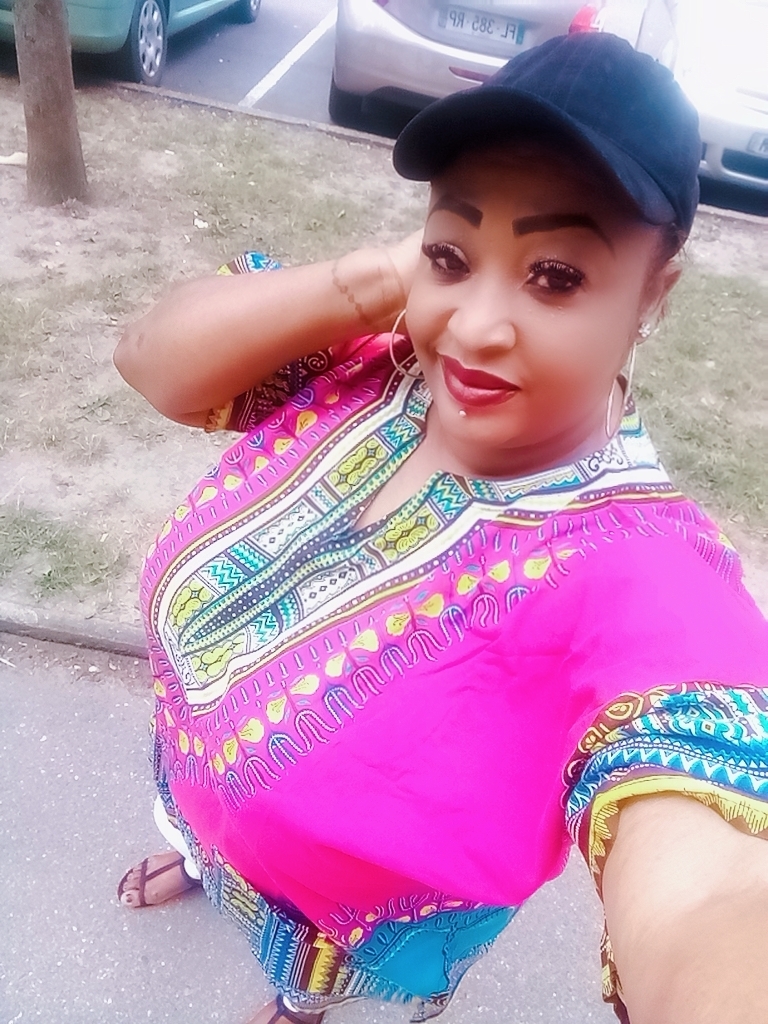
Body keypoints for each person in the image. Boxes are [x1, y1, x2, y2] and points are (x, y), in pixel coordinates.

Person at [114, 32, 768, 1024]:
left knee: (309, 972)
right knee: (203, 826)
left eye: (555, 275)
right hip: (192, 772)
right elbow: (150, 360)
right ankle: (202, 853)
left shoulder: (640, 567)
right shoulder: (365, 362)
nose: (472, 328)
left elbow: (711, 898)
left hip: (340, 917)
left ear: (654, 292)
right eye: (451, 253)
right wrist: (395, 278)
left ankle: (299, 1003)